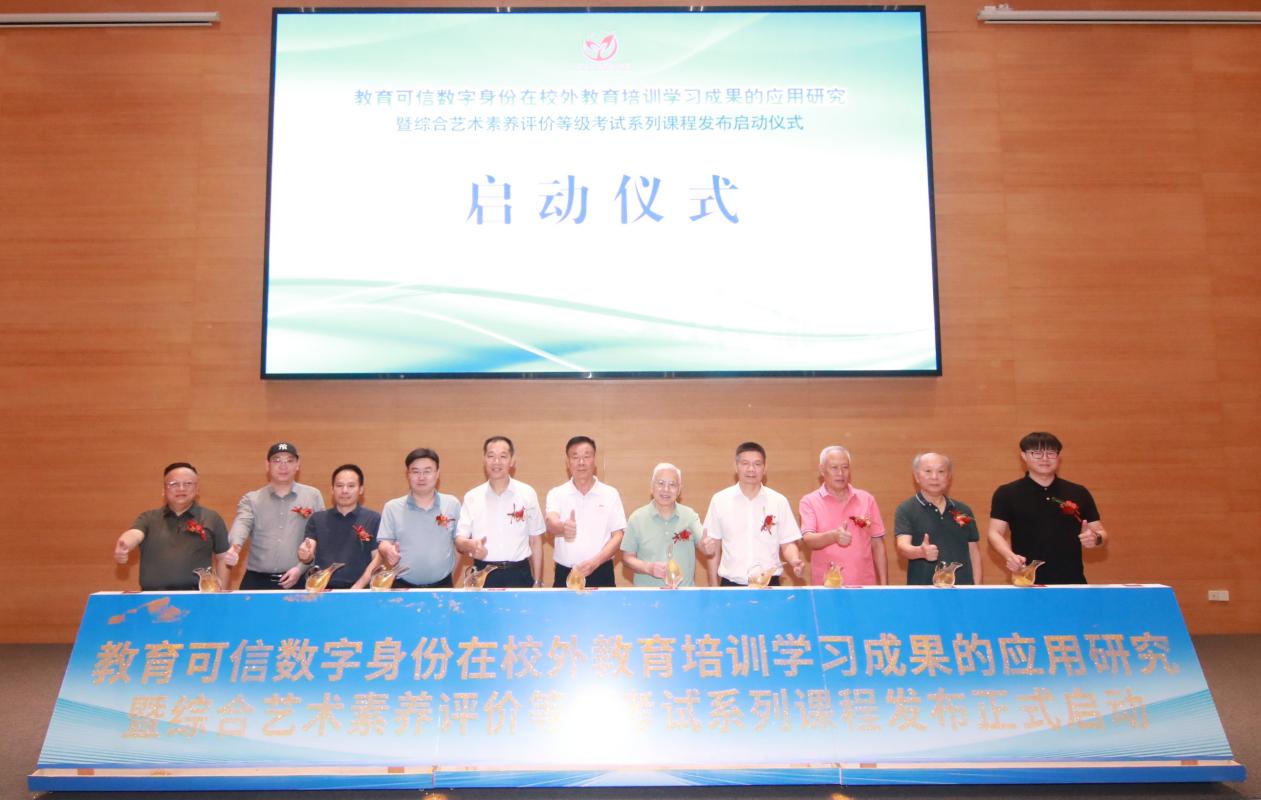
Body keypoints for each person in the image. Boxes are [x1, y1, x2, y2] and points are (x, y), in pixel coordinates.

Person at [988, 432, 1109, 584]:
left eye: (1051, 453)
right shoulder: (1007, 493)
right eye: (1037, 453)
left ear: (1058, 457)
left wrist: (1096, 539)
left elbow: (1101, 532)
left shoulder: (1078, 492)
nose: (1045, 458)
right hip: (1026, 580)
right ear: (1024, 456)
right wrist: (1009, 556)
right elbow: (995, 532)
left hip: (1072, 581)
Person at [113, 462, 230, 591]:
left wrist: (221, 595)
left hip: (197, 596)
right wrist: (125, 545)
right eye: (174, 484)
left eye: (188, 483)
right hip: (153, 597)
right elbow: (135, 534)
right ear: (164, 490)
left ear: (197, 489)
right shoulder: (148, 518)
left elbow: (223, 557)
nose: (181, 488)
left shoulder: (212, 518)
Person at [224, 442, 325, 589]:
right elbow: (241, 524)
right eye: (277, 460)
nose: (283, 466)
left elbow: (320, 536)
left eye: (289, 461)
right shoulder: (252, 499)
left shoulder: (313, 496)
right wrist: (235, 547)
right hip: (256, 581)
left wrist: (301, 568)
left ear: (297, 465)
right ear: (267, 465)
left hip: (300, 578)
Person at [704, 442, 805, 586]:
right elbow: (713, 546)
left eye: (757, 464)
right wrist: (714, 587)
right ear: (736, 467)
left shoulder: (778, 501)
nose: (751, 469)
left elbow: (787, 542)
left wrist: (794, 560)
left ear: (765, 468)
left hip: (769, 584)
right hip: (731, 585)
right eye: (745, 463)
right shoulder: (720, 500)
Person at [455, 435, 545, 588]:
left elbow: (535, 541)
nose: (496, 462)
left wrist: (537, 581)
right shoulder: (472, 497)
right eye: (491, 456)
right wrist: (470, 545)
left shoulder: (527, 493)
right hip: (483, 573)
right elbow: (459, 540)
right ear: (484, 460)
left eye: (503, 456)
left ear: (512, 461)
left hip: (519, 573)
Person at [545, 436, 628, 588]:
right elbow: (551, 522)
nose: (581, 462)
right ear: (568, 462)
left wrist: (595, 562)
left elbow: (618, 535)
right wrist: (563, 528)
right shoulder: (556, 493)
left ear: (594, 460)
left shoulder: (610, 494)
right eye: (575, 457)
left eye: (587, 456)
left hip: (601, 570)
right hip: (565, 572)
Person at [799, 445, 888, 586]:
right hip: (827, 586)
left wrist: (884, 586)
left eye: (845, 467)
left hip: (864, 585)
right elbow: (808, 539)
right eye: (834, 467)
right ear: (822, 470)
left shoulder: (866, 499)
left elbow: (877, 544)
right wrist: (833, 536)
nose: (840, 473)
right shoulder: (809, 501)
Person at [377, 448, 462, 589]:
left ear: (437, 473)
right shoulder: (392, 507)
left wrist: (451, 575)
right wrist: (387, 550)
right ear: (408, 475)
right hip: (402, 585)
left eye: (427, 471)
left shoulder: (452, 504)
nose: (421, 477)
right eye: (415, 471)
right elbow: (384, 542)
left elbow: (459, 545)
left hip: (443, 585)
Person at [894, 452, 983, 585]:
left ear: (949, 476)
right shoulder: (906, 509)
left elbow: (974, 552)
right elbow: (902, 547)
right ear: (916, 476)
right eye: (928, 471)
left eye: (941, 471)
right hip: (923, 590)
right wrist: (920, 552)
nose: (934, 477)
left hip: (963, 589)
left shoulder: (963, 510)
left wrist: (977, 588)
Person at [621, 463, 711, 587]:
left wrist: (707, 547)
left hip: (683, 594)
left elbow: (703, 544)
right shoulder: (636, 518)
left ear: (679, 490)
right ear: (652, 487)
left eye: (672, 485)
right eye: (661, 483)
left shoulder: (689, 516)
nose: (666, 489)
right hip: (648, 595)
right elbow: (626, 558)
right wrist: (649, 568)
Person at [296, 464, 381, 589]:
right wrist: (306, 555)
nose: (344, 490)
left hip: (360, 590)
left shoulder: (374, 518)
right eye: (339, 485)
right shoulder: (317, 519)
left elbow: (377, 559)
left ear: (361, 489)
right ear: (332, 489)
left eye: (351, 486)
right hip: (322, 590)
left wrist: (358, 587)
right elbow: (309, 551)